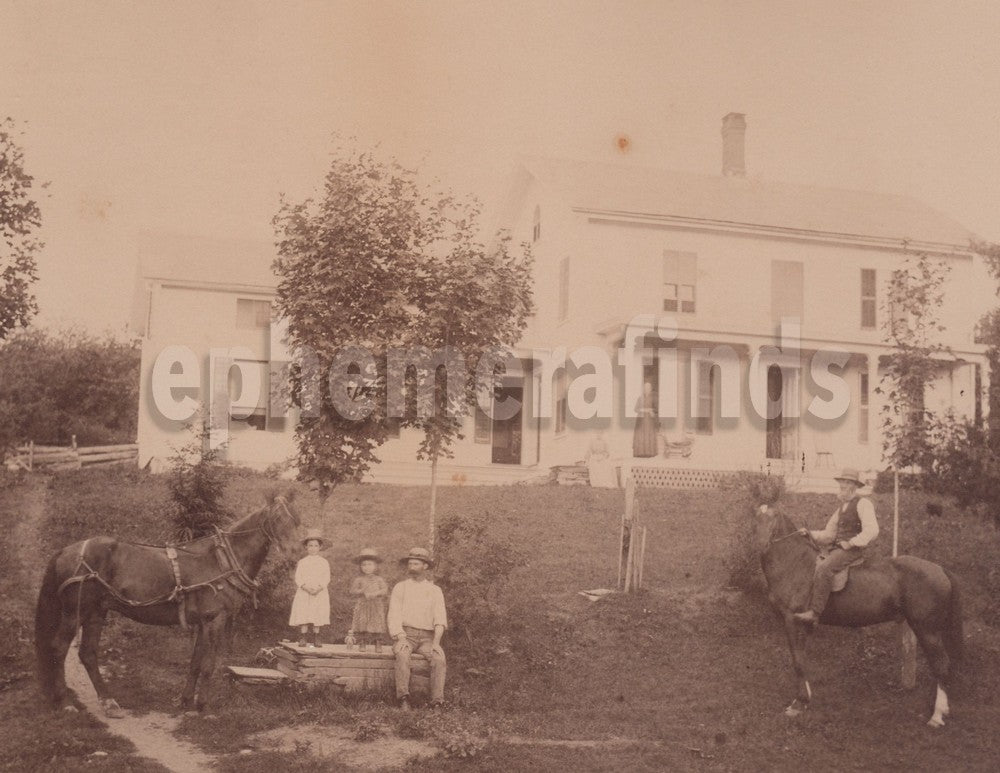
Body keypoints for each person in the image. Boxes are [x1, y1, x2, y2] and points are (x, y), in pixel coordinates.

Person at [793, 468, 879, 625]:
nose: (842, 486)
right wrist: (809, 534)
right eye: (841, 482)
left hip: (852, 551)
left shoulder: (863, 503)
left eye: (847, 482)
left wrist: (852, 542)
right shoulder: (840, 509)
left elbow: (872, 530)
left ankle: (815, 612)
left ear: (854, 485)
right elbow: (829, 535)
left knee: (824, 568)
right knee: (813, 562)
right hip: (838, 549)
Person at [386, 547, 447, 709]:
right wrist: (401, 637)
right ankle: (403, 698)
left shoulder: (435, 590)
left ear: (425, 567)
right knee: (402, 653)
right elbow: (394, 615)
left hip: (428, 638)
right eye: (410, 563)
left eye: (416, 563)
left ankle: (437, 702)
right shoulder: (401, 587)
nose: (412, 566)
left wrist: (436, 643)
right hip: (406, 635)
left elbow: (440, 619)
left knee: (439, 658)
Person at [288, 528, 331, 647]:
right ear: (306, 547)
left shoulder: (324, 562)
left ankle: (317, 636)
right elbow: (298, 577)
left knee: (317, 613)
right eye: (310, 545)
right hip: (304, 592)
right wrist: (305, 587)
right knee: (304, 613)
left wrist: (318, 588)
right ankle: (303, 637)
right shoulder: (302, 562)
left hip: (319, 592)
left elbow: (326, 578)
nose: (313, 548)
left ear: (320, 547)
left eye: (316, 545)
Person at [348, 548, 389, 652]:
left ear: (375, 566)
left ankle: (378, 643)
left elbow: (384, 590)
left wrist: (376, 593)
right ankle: (362, 643)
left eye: (370, 564)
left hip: (376, 605)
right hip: (363, 605)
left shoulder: (379, 579)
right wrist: (362, 591)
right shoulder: (359, 580)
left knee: (377, 623)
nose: (366, 567)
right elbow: (352, 591)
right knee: (363, 623)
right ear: (360, 567)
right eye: (364, 565)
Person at [632, 381, 659, 458]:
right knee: (640, 435)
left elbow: (656, 409)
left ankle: (649, 453)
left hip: (649, 421)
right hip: (640, 421)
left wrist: (652, 411)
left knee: (648, 435)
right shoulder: (640, 398)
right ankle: (640, 453)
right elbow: (636, 409)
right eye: (645, 388)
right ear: (643, 389)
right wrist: (645, 410)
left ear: (650, 389)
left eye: (648, 388)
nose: (646, 389)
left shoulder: (654, 398)